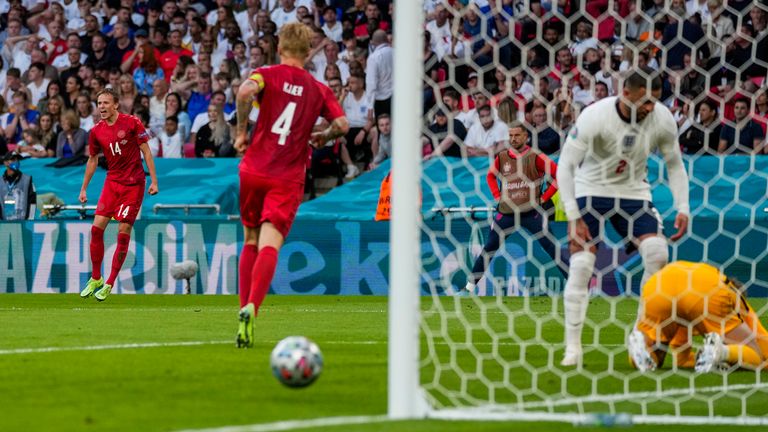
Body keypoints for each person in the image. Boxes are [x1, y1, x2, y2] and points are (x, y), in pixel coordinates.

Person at [556, 68, 690, 367]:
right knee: (582, 264)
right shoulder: (594, 116)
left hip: (634, 193)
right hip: (590, 189)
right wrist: (573, 214)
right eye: (643, 101)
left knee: (657, 253)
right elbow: (565, 166)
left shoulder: (662, 118)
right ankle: (573, 349)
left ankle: (642, 337)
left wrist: (683, 207)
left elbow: (675, 165)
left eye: (653, 102)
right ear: (625, 93)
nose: (648, 108)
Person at [233, 22, 349, 348]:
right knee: (271, 243)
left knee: (250, 239)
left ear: (280, 46)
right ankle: (253, 308)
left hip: (254, 169)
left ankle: (243, 307)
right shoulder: (318, 89)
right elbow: (342, 124)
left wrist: (242, 132)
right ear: (308, 51)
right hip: (287, 176)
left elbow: (244, 91)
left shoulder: (265, 74)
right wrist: (323, 136)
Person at [459, 122, 560, 296]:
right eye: (511, 135)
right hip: (506, 213)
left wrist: (544, 197)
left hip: (531, 212)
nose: (513, 139)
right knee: (489, 248)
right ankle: (468, 289)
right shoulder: (502, 157)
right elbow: (490, 176)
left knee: (552, 248)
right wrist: (497, 196)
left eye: (517, 135)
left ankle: (579, 288)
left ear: (526, 137)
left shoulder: (537, 156)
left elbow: (558, 175)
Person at [78, 88, 159, 302]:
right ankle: (96, 277)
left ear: (115, 105)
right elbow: (93, 160)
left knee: (123, 231)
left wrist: (154, 180)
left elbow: (146, 151)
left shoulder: (132, 123)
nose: (101, 107)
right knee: (96, 230)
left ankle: (109, 282)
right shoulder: (96, 131)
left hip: (133, 185)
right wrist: (84, 188)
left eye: (105, 103)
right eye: (99, 103)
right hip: (112, 183)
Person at [628, 261, 768, 372]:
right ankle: (721, 352)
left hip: (657, 286)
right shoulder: (732, 294)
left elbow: (681, 359)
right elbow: (761, 341)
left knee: (655, 359)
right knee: (755, 353)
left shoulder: (702, 273)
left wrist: (695, 359)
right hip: (704, 292)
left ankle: (640, 349)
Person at [0, 151, 36, 220]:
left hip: (22, 224)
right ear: (5, 163)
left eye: (17, 160)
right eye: (13, 160)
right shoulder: (0, 181)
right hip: (3, 224)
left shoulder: (27, 180)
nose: (16, 162)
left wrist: (30, 220)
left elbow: (32, 203)